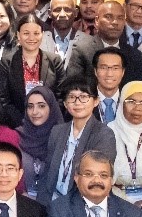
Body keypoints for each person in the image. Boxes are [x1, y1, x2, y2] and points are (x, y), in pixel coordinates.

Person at [35, 77, 117, 205]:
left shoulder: (104, 134)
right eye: (72, 97)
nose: (77, 102)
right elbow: (47, 173)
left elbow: (98, 178)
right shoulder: (57, 131)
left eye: (84, 97)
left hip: (83, 204)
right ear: (66, 104)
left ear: (96, 101)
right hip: (51, 201)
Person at [64, 1, 142, 84]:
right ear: (97, 21)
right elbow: (74, 88)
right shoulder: (82, 50)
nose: (115, 22)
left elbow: (139, 90)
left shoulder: (135, 55)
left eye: (120, 18)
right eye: (108, 17)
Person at [0, 15, 64, 119]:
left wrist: (46, 119)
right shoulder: (7, 62)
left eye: (36, 33)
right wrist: (22, 123)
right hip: (17, 125)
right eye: (26, 33)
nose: (31, 38)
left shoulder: (54, 61)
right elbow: (4, 99)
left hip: (49, 123)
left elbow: (61, 96)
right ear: (18, 35)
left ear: (42, 35)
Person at [17, 85, 64, 201]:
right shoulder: (16, 136)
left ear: (52, 108)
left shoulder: (62, 138)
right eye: (30, 106)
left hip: (54, 206)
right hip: (21, 203)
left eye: (41, 106)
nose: (34, 112)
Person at [92, 47, 129, 123]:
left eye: (115, 68)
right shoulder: (84, 100)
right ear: (95, 71)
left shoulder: (129, 100)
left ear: (123, 72)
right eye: (103, 68)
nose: (109, 74)